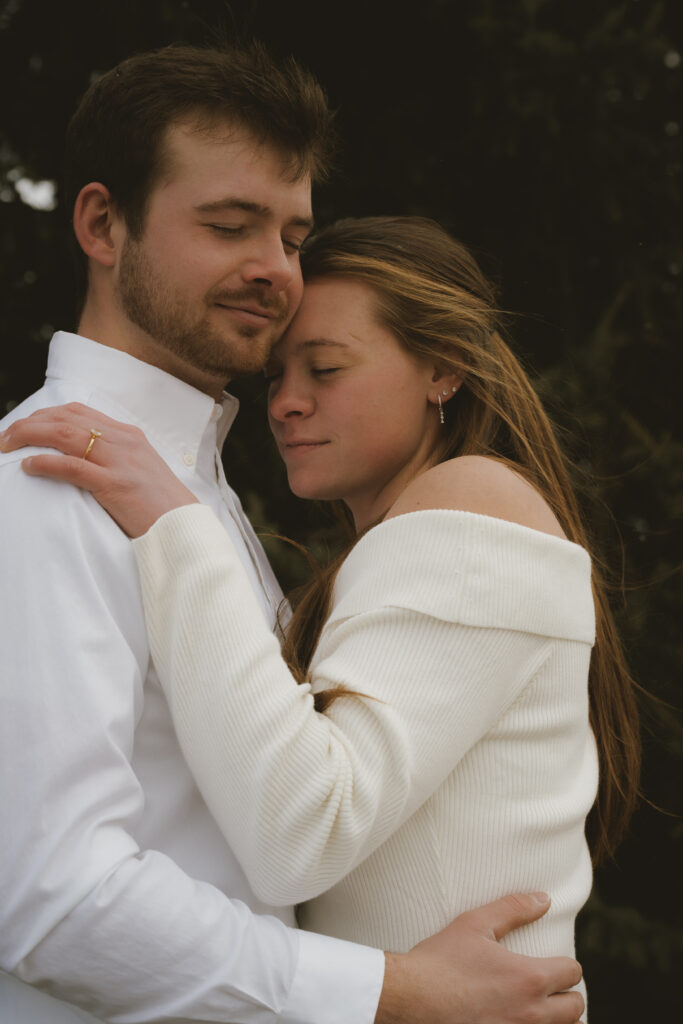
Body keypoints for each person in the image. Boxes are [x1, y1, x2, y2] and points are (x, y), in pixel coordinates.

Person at [0, 43, 587, 1024]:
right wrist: (390, 990)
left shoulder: (188, 493)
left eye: (290, 234)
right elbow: (53, 898)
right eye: (231, 225)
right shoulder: (49, 476)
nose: (273, 270)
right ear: (102, 224)